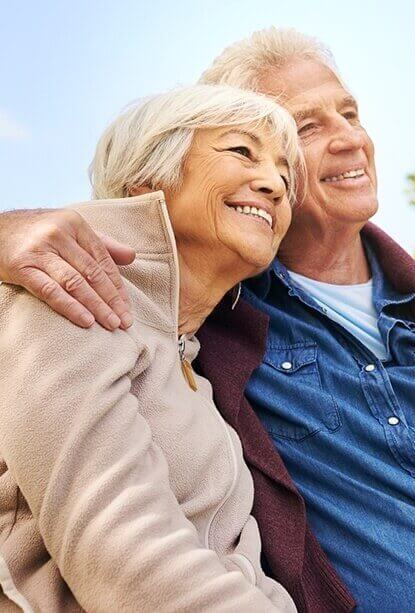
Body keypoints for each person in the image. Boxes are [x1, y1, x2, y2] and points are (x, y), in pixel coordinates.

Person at [1, 28, 415, 613]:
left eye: (351, 114)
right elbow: (129, 555)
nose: (348, 140)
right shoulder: (197, 319)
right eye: (305, 129)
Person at [0, 83, 301, 612]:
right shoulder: (75, 286)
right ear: (150, 173)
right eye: (241, 151)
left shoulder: (195, 364)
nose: (275, 184)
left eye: (284, 173)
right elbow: (122, 552)